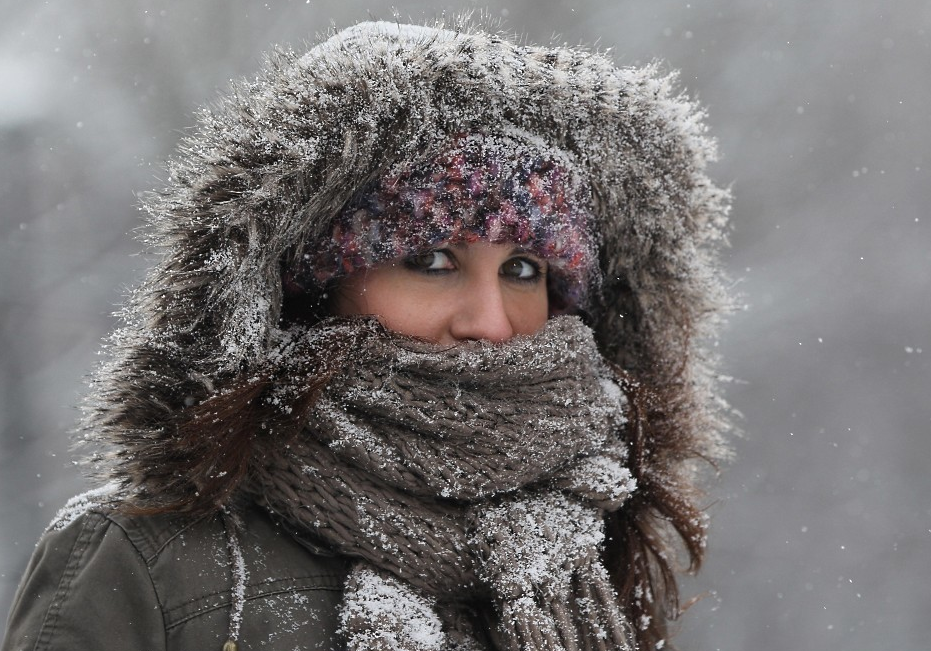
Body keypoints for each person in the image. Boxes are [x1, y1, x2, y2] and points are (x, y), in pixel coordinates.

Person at [2, 19, 731, 651]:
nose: (489, 319)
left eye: (520, 268)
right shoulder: (150, 559)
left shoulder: (588, 557)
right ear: (315, 287)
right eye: (430, 261)